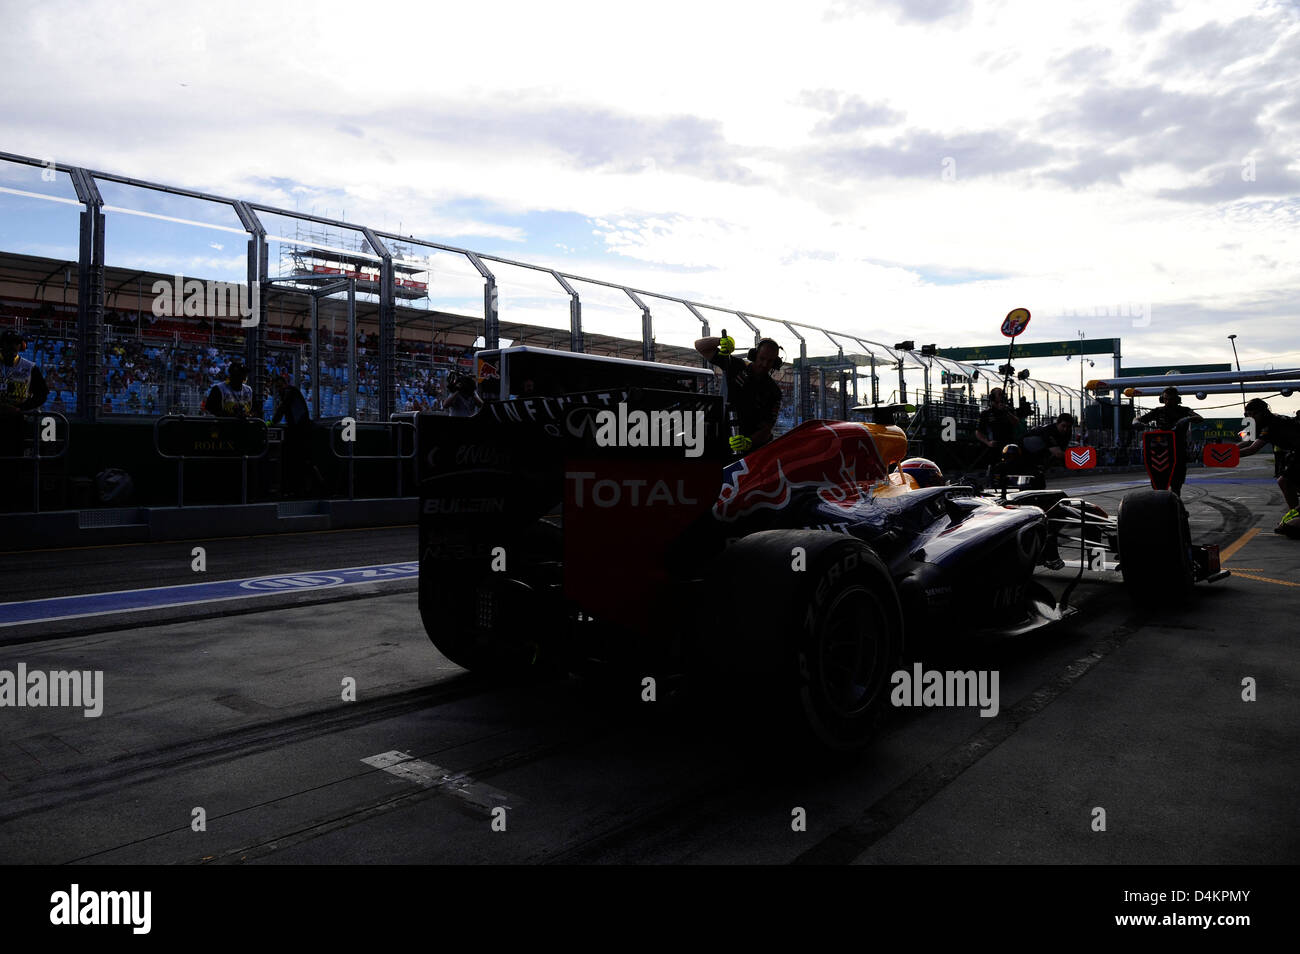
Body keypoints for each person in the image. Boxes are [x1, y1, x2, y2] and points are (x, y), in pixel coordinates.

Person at [694, 334, 783, 455]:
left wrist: (749, 442)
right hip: (720, 440)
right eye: (762, 358)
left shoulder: (774, 391)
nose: (764, 364)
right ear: (754, 355)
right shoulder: (735, 366)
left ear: (776, 363)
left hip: (751, 451)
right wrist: (720, 341)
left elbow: (767, 428)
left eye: (770, 361)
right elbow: (699, 346)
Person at [1238, 398, 1300, 533]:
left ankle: (1295, 516)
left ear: (1263, 412)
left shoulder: (1272, 424)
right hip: (1294, 452)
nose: (1251, 417)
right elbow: (1247, 441)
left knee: (1284, 482)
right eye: (1248, 415)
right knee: (1289, 483)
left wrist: (1228, 456)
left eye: (1254, 414)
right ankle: (1295, 517)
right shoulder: (1263, 423)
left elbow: (1252, 449)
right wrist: (1227, 451)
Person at [1134, 386, 1202, 496]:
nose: (1168, 402)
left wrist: (1188, 418)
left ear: (1177, 399)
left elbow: (1199, 418)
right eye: (1165, 399)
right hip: (1160, 451)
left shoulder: (1184, 410)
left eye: (1171, 399)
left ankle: (1177, 506)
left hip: (1178, 451)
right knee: (1158, 484)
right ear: (1162, 399)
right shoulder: (1158, 411)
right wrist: (1136, 422)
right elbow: (1137, 419)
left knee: (1176, 485)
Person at [0, 329, 50, 469]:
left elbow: (42, 393)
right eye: (9, 342)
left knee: (15, 459)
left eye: (16, 342)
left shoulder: (29, 367)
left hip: (18, 420)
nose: (12, 346)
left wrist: (21, 408)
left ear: (21, 345)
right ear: (2, 344)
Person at [271, 375, 321, 498]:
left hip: (302, 431)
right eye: (276, 387)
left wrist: (273, 422)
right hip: (298, 431)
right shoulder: (288, 393)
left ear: (285, 384)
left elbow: (282, 409)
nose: (279, 389)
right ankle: (299, 489)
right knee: (300, 462)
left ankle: (310, 489)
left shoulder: (290, 391)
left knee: (304, 461)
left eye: (280, 386)